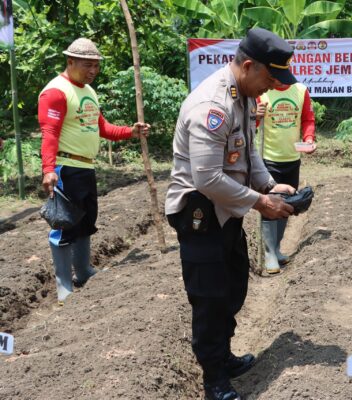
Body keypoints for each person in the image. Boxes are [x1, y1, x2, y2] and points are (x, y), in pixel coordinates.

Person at [164, 28, 297, 400]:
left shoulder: (246, 96)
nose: (271, 87)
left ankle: (223, 355)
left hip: (227, 209)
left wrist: (270, 185)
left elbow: (247, 154)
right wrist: (260, 201)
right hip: (201, 212)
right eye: (269, 78)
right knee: (209, 298)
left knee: (234, 286)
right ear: (249, 65)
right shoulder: (213, 105)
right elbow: (206, 177)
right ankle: (214, 380)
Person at [38, 38, 149, 303]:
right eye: (88, 65)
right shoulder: (56, 91)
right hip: (67, 167)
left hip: (86, 167)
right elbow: (50, 133)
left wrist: (130, 132)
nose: (93, 71)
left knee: (86, 221)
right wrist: (48, 169)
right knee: (65, 224)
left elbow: (101, 127)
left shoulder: (88, 91)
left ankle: (84, 271)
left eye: (96, 66)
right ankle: (65, 286)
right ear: (70, 61)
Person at [255, 82, 316, 274]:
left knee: (288, 203)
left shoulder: (300, 90)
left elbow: (307, 119)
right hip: (268, 158)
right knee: (270, 203)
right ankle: (269, 253)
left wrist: (308, 138)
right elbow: (249, 123)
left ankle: (277, 248)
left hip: (292, 157)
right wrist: (256, 115)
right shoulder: (262, 91)